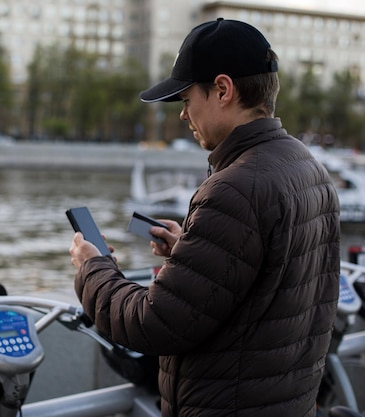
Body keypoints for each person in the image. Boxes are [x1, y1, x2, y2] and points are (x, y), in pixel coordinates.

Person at [69, 18, 340, 417]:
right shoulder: (307, 167)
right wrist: (192, 249)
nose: (183, 115)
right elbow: (271, 284)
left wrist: (93, 268)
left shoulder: (235, 188)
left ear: (223, 90)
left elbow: (153, 323)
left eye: (185, 99)